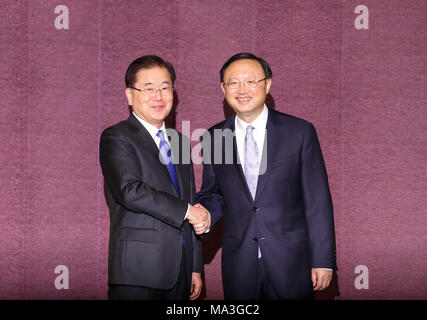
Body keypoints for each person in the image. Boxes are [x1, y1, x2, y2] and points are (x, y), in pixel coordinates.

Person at [197, 52, 337, 300]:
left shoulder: (299, 132)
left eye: (251, 81)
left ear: (267, 84)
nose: (242, 89)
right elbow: (213, 194)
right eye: (233, 82)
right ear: (223, 88)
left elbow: (317, 200)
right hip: (239, 263)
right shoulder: (213, 137)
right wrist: (205, 215)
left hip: (292, 261)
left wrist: (323, 260)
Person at [99, 55, 210, 300]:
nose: (158, 96)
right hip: (138, 271)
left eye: (165, 88)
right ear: (130, 95)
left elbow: (190, 199)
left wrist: (194, 266)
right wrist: (187, 211)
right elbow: (129, 190)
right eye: (148, 89)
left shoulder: (180, 141)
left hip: (181, 272)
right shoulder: (117, 137)